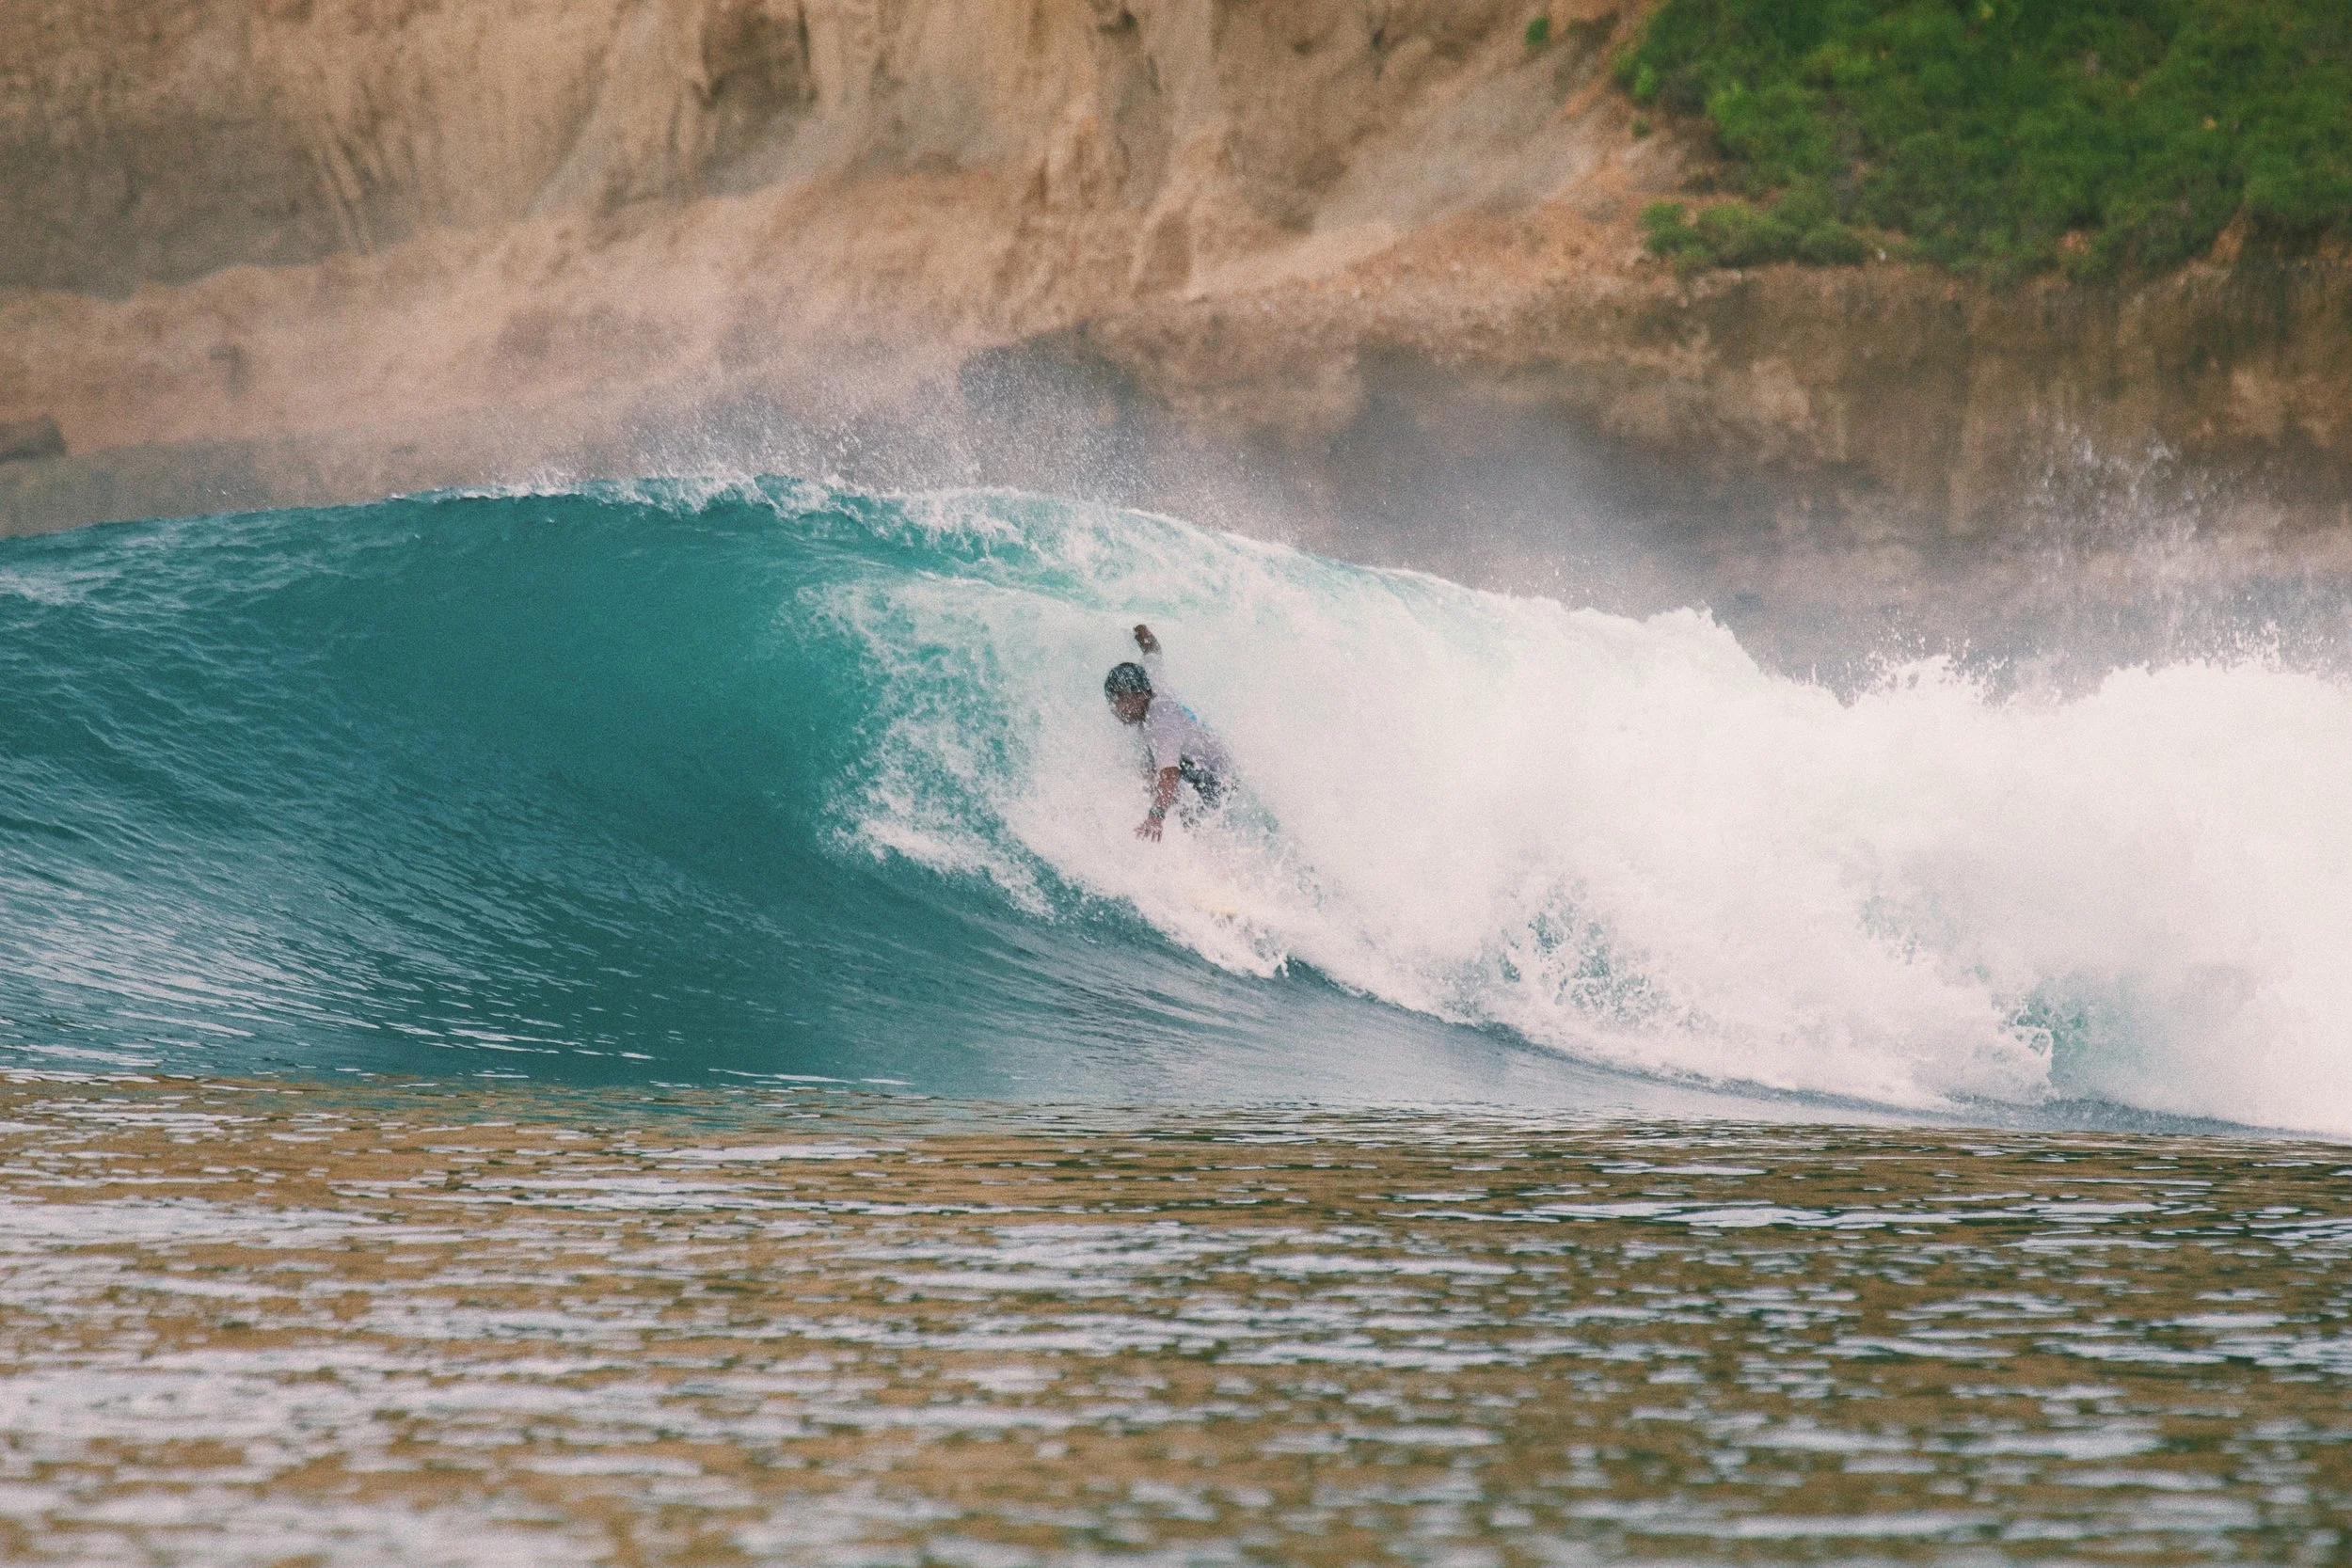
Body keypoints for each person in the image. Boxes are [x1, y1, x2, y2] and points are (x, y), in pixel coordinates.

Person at [1104, 623, 1233, 841]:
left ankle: (1196, 838)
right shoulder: (1150, 678)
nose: (1114, 709)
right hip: (1209, 758)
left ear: (1138, 696)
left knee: (1160, 778)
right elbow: (1153, 650)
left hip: (1217, 779)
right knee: (1148, 764)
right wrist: (1138, 630)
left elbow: (1170, 774)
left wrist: (1156, 815)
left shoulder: (1159, 725)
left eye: (1118, 701)